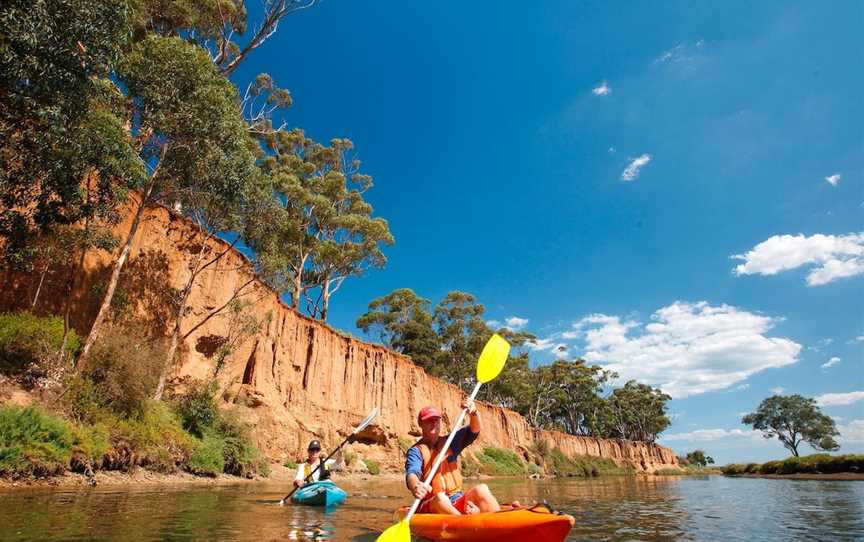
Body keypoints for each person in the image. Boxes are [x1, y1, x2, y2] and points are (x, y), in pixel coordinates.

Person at [404, 398, 501, 515]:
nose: (434, 423)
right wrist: (415, 486)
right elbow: (412, 473)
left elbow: (474, 430)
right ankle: (464, 524)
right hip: (432, 503)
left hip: (456, 499)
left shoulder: (450, 442)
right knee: (441, 498)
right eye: (429, 420)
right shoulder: (416, 451)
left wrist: (474, 413)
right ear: (420, 424)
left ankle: (500, 523)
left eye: (436, 420)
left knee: (482, 489)